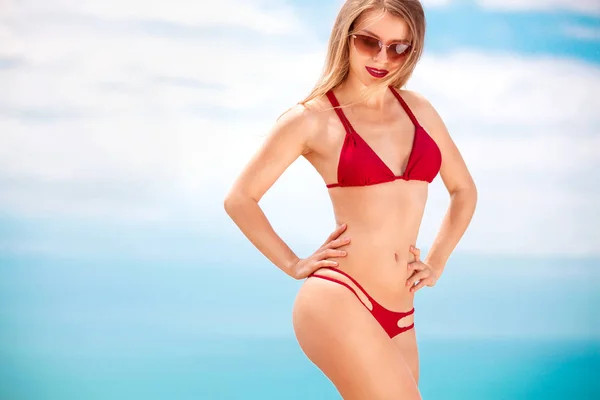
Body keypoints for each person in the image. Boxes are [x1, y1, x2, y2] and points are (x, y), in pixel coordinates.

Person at [224, 0, 477, 398]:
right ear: (345, 37)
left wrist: (437, 261)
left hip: (402, 312)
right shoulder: (312, 118)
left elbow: (463, 190)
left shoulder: (419, 110)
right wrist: (294, 263)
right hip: (340, 298)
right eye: (368, 42)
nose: (382, 57)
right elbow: (240, 199)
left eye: (398, 47)